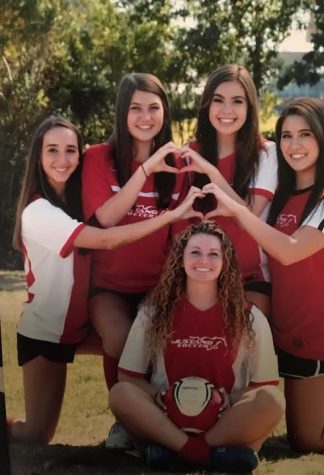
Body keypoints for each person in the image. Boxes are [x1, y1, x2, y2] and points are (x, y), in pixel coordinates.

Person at [9, 116, 202, 444]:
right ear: (38, 158)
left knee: (143, 342)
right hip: (48, 331)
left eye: (71, 150)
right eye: (52, 150)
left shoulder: (75, 202)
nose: (62, 159)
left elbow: (111, 209)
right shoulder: (38, 212)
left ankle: (144, 424)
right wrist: (169, 216)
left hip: (82, 325)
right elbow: (108, 239)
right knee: (35, 434)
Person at [202, 97, 324, 453]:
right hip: (277, 330)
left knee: (308, 440)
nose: (294, 145)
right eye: (286, 136)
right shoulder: (283, 194)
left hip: (317, 334)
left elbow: (287, 250)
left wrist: (239, 215)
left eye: (305, 134)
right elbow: (250, 222)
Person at [109, 222, 284, 472]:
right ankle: (213, 455)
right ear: (180, 259)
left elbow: (265, 385)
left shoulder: (250, 317)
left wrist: (228, 399)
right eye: (195, 252)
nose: (204, 260)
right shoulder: (154, 312)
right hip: (167, 420)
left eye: (214, 254)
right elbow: (127, 376)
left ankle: (175, 454)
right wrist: (159, 397)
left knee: (273, 401)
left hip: (224, 422)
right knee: (120, 394)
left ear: (226, 262)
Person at [81, 72, 192, 448]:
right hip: (109, 287)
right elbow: (107, 218)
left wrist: (167, 293)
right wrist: (146, 169)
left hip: (156, 285)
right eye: (136, 108)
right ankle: (127, 423)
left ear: (165, 113)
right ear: (121, 113)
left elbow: (179, 236)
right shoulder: (98, 157)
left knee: (161, 339)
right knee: (120, 337)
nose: (145, 117)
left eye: (154, 108)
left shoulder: (178, 166)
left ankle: (169, 420)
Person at [177, 65, 278, 316]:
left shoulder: (267, 154)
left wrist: (211, 172)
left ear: (249, 107)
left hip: (250, 276)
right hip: (199, 275)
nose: (227, 110)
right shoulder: (190, 153)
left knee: (250, 336)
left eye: (237, 101)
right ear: (207, 105)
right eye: (218, 100)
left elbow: (249, 216)